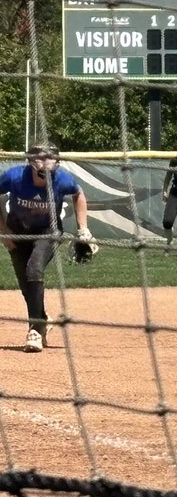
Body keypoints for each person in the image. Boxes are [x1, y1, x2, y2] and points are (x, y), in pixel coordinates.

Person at [0, 143, 92, 353]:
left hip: (48, 233)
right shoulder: (14, 177)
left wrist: (83, 229)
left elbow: (78, 194)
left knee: (34, 269)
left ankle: (34, 331)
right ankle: (42, 319)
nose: (48, 162)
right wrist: (3, 229)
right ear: (31, 161)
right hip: (17, 233)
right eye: (42, 158)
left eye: (52, 158)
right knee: (26, 286)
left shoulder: (62, 179)